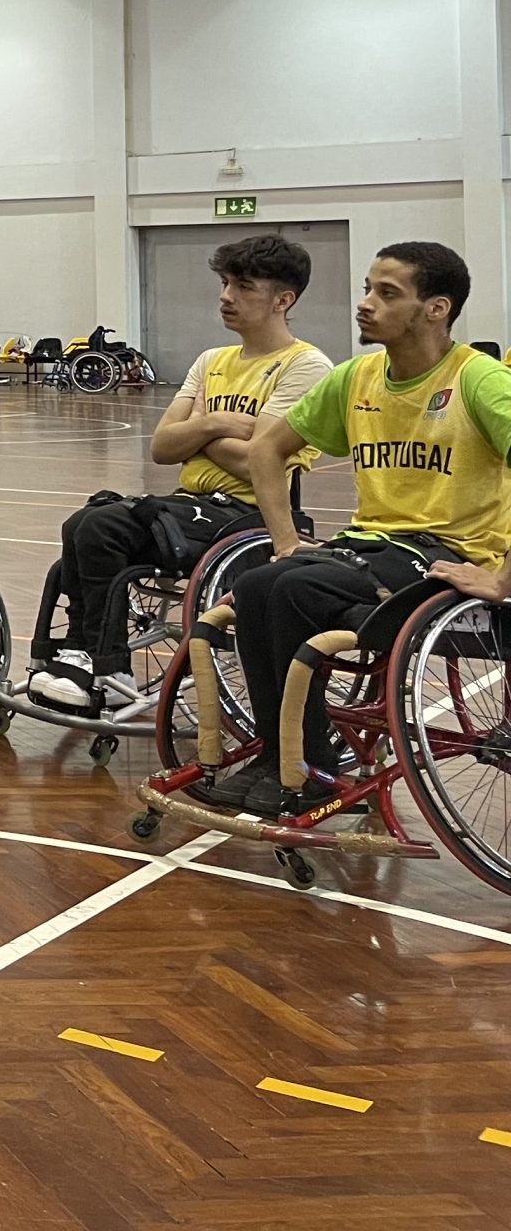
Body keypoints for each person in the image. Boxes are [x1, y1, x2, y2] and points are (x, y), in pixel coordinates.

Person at [205, 242, 511, 817]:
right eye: (368, 288)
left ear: (436, 309)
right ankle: (278, 755)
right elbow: (267, 448)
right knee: (255, 584)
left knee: (297, 590)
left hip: (445, 552)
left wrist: (501, 578)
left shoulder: (479, 380)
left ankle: (308, 766)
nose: (365, 303)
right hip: (370, 545)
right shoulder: (358, 376)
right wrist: (285, 541)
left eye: (386, 293)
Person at [24, 236, 331, 715]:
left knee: (102, 526)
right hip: (193, 506)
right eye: (224, 283)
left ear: (283, 299)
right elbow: (163, 447)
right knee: (84, 521)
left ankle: (105, 664)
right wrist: (215, 424)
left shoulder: (306, 366)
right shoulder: (211, 361)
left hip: (247, 516)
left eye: (243, 286)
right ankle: (84, 654)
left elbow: (257, 463)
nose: (226, 296)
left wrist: (198, 430)